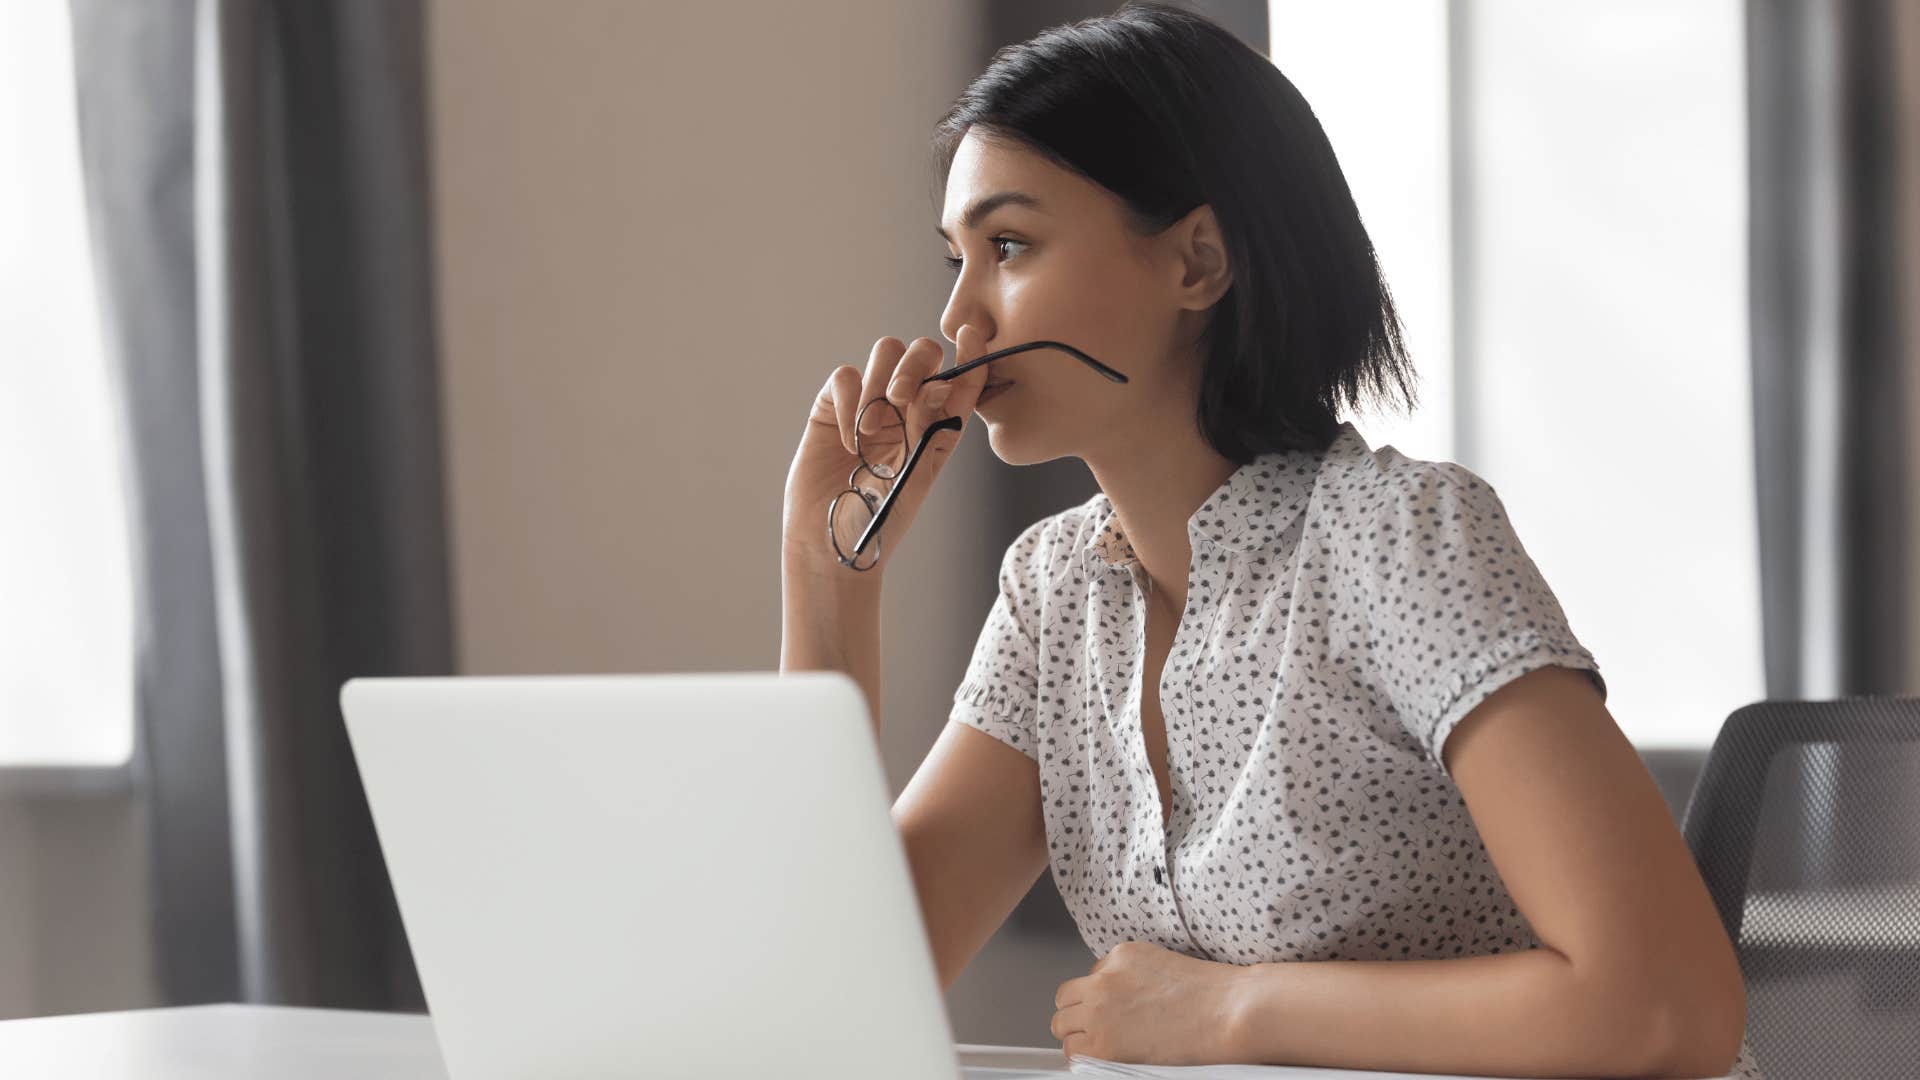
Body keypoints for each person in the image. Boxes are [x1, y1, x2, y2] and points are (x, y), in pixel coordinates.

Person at [780, 4, 1759, 1076]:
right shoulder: (1053, 593)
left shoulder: (1400, 541)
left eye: (1008, 245)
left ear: (1198, 262)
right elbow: (836, 984)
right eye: (955, 259)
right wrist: (827, 576)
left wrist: (1230, 1014)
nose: (960, 322)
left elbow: (1666, 1009)